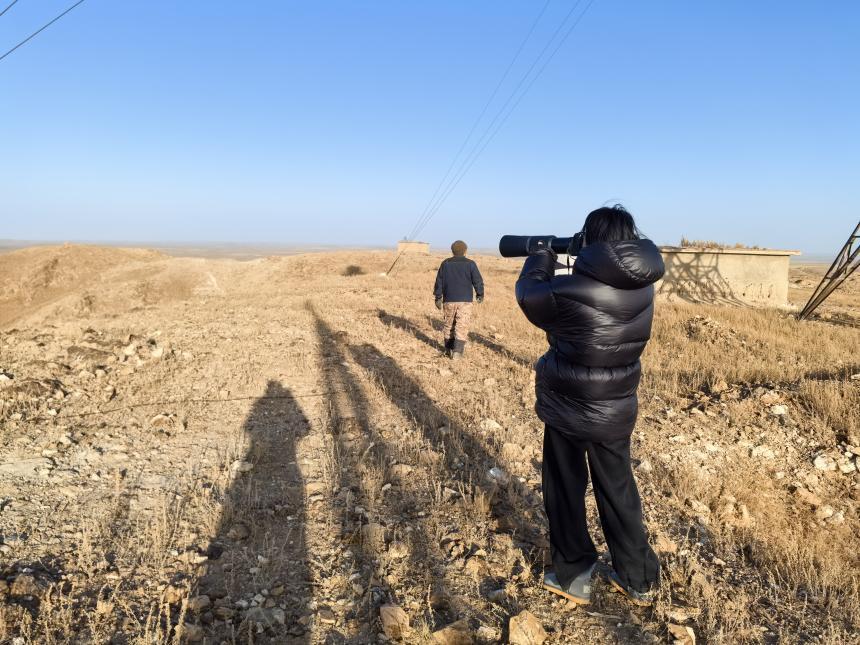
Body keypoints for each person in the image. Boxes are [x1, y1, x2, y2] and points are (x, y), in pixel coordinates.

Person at [515, 205, 665, 606]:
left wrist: (541, 254)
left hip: (569, 406)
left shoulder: (570, 290)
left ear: (591, 239)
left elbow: (529, 295)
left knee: (565, 489)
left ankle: (574, 574)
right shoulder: (642, 287)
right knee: (619, 492)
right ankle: (638, 578)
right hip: (616, 408)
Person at [433, 240, 484, 360]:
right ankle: (457, 352)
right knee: (462, 325)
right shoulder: (471, 264)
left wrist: (438, 297)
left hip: (449, 300)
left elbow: (439, 281)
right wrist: (480, 294)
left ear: (452, 251)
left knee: (449, 324)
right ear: (465, 251)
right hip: (465, 301)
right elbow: (478, 281)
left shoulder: (445, 263)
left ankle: (448, 349)